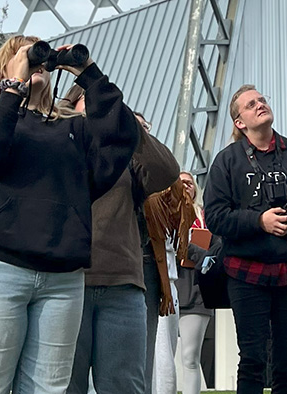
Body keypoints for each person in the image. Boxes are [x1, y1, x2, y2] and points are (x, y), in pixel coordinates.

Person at [0, 36, 139, 393]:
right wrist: (12, 90)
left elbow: (121, 139)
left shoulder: (74, 128)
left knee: (48, 389)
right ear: (7, 66)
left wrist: (88, 74)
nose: (38, 63)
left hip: (63, 278)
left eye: (41, 57)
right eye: (27, 55)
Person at [204, 85, 287, 394]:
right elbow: (214, 217)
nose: (260, 105)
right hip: (246, 272)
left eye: (262, 100)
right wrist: (259, 221)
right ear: (240, 122)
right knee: (251, 359)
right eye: (251, 104)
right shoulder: (227, 161)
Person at [67, 104, 187, 394]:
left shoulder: (127, 156)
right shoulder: (63, 144)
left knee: (128, 384)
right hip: (69, 280)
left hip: (126, 279)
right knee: (66, 384)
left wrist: (128, 128)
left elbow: (167, 172)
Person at [176, 171, 216, 394]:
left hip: (197, 292)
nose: (187, 186)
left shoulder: (206, 216)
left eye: (190, 183)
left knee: (191, 357)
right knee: (159, 356)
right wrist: (199, 253)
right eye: (181, 182)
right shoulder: (163, 212)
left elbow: (218, 247)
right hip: (168, 290)